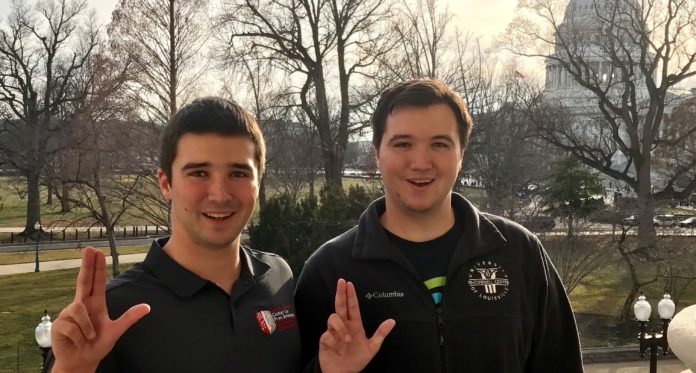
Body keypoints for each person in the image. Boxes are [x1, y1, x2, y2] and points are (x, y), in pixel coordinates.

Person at [45, 97, 393, 373]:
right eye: (198, 172)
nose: (219, 194)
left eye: (239, 173)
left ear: (260, 181)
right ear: (165, 183)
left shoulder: (278, 277)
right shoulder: (114, 313)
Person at [295, 79, 585, 372]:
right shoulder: (329, 271)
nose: (421, 162)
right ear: (377, 154)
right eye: (403, 144)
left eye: (440, 144)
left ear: (462, 154)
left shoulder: (520, 254)